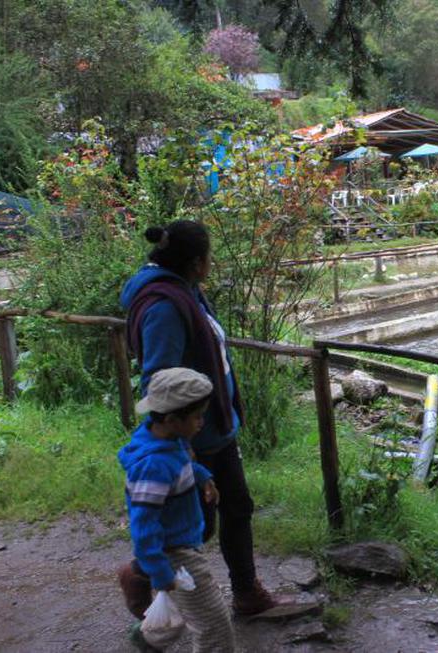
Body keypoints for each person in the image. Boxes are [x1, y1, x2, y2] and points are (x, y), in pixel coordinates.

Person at [117, 220, 279, 619]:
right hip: (193, 436)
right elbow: (159, 378)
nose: (212, 263)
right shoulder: (164, 306)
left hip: (214, 426)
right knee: (198, 526)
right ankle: (140, 576)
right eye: (209, 257)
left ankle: (246, 593)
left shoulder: (183, 290)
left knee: (237, 507)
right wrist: (180, 445)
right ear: (195, 262)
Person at [118, 367, 236, 653]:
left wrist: (202, 476)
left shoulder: (171, 441)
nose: (201, 422)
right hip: (175, 552)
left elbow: (182, 464)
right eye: (197, 416)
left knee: (183, 607)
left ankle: (147, 640)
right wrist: (159, 571)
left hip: (184, 544)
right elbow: (144, 527)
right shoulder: (153, 467)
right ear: (172, 419)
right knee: (214, 624)